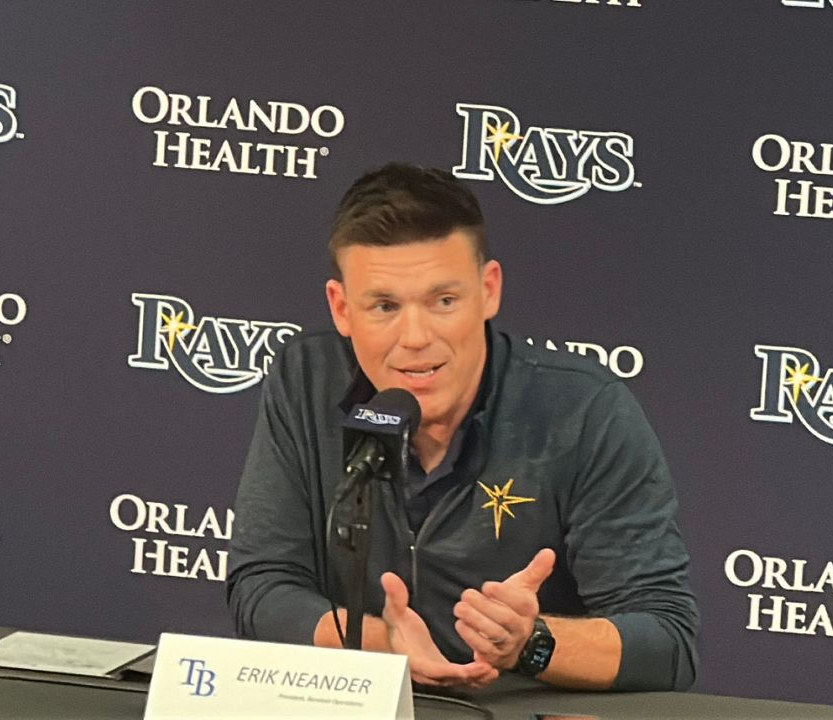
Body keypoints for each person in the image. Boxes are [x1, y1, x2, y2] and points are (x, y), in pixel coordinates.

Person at [227, 163, 699, 692]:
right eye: (384, 306)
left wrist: (530, 643)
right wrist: (384, 645)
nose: (415, 337)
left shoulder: (584, 411)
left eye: (443, 301)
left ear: (489, 290)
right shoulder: (306, 380)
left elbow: (668, 642)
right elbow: (262, 586)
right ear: (341, 308)